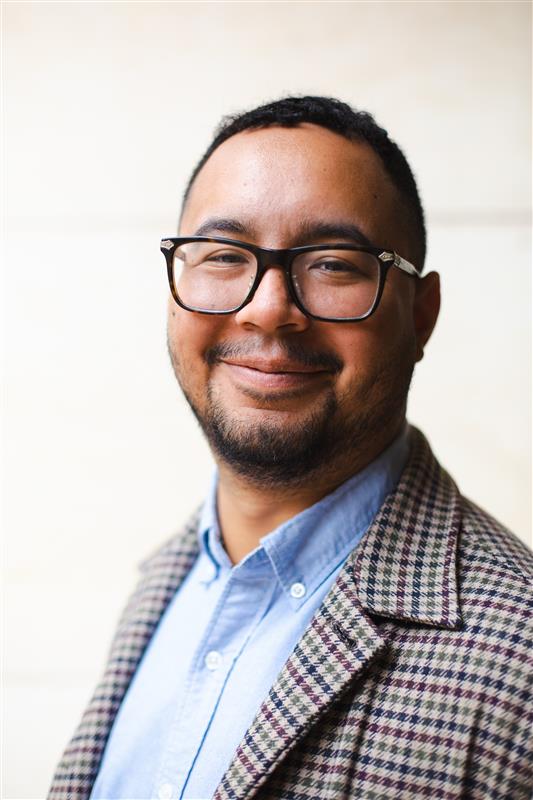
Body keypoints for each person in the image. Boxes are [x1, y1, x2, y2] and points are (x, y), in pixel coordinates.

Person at [48, 96, 532, 800]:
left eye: (333, 265)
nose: (268, 308)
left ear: (420, 316)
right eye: (222, 255)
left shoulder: (517, 654)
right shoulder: (163, 584)